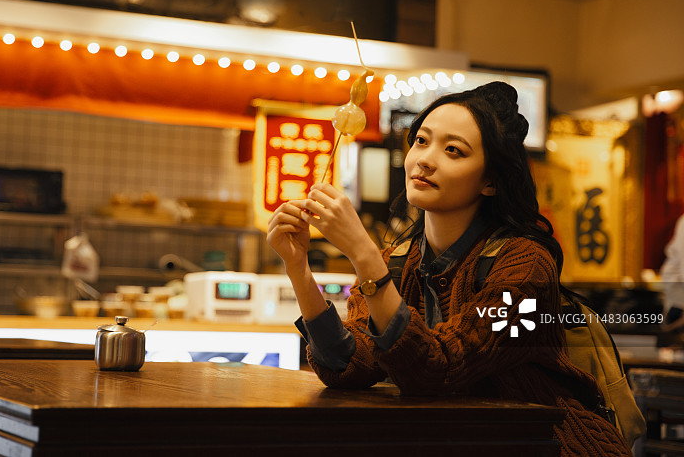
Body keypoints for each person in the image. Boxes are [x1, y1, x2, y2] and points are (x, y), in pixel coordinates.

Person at [267, 81, 631, 456]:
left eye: (453, 150)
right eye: (421, 141)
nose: (425, 159)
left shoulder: (526, 266)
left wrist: (363, 254)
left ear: (490, 180)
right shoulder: (397, 258)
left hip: (551, 446)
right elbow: (348, 366)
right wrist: (298, 269)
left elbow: (437, 368)